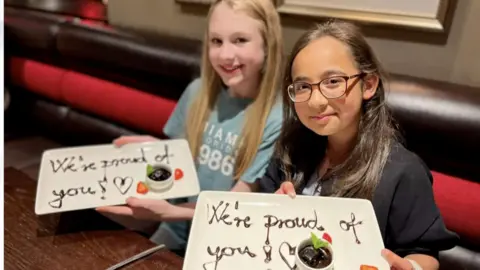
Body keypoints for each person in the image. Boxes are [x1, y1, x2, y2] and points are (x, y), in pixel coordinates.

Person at [258, 20, 458, 270]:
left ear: (369, 85)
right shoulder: (291, 149)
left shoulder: (403, 172)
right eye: (303, 86)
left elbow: (423, 251)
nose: (316, 101)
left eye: (332, 82)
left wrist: (412, 267)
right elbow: (262, 211)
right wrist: (273, 208)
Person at [97, 0, 284, 256]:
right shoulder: (197, 92)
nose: (226, 55)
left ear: (267, 45)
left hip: (226, 240)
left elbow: (236, 205)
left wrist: (170, 212)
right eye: (216, 41)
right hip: (176, 230)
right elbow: (182, 161)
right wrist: (155, 149)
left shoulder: (276, 118)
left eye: (240, 40)